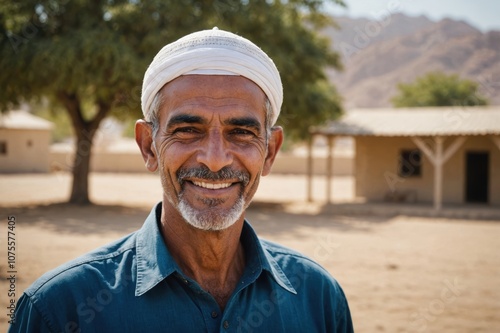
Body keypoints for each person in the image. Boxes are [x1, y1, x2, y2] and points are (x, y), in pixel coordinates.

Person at [9, 28, 353, 333]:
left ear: (270, 152)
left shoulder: (318, 298)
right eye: (188, 130)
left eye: (242, 132)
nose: (215, 158)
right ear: (149, 146)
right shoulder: (59, 308)